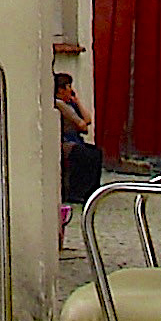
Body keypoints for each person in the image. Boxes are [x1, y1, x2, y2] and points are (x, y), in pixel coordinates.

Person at [56, 71, 102, 243]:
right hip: (65, 142)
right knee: (83, 154)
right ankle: (77, 191)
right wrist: (81, 124)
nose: (70, 90)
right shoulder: (60, 105)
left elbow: (88, 119)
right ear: (61, 90)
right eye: (68, 87)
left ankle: (91, 189)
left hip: (75, 140)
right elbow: (81, 124)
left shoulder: (70, 104)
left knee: (95, 153)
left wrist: (78, 102)